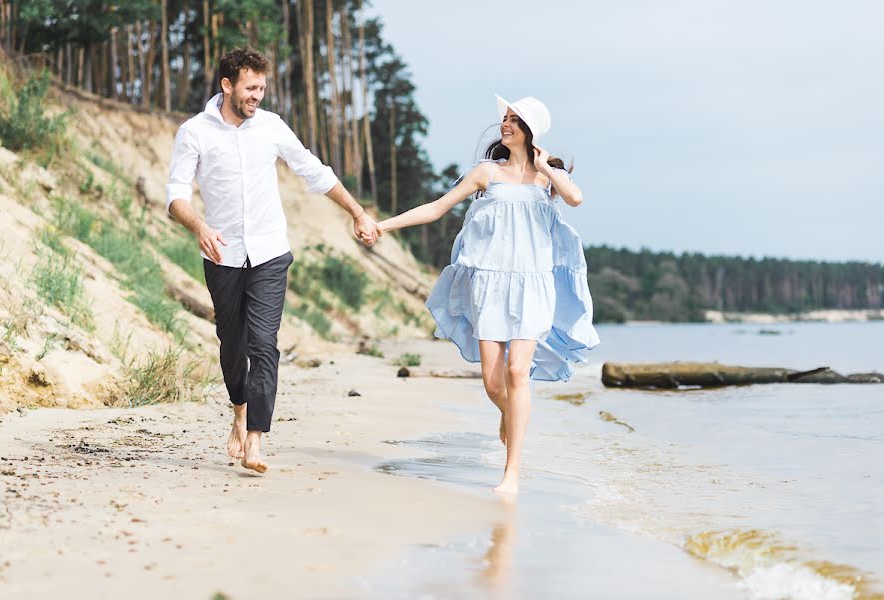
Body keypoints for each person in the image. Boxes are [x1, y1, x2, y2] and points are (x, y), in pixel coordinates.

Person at [166, 46, 378, 474]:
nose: (256, 96)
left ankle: (256, 440)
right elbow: (175, 195)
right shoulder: (194, 132)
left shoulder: (272, 127)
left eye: (261, 88)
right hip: (222, 255)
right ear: (227, 85)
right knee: (232, 345)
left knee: (264, 346)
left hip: (269, 254)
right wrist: (200, 228)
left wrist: (357, 212)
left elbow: (315, 172)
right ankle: (239, 411)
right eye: (249, 87)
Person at [376, 95, 600, 495]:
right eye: (506, 118)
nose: (506, 124)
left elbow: (576, 198)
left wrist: (546, 164)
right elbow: (436, 207)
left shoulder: (546, 177)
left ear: (531, 130)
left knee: (518, 373)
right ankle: (508, 415)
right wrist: (382, 226)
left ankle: (511, 472)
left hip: (533, 284)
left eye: (516, 120)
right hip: (490, 284)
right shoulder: (486, 173)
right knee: (494, 385)